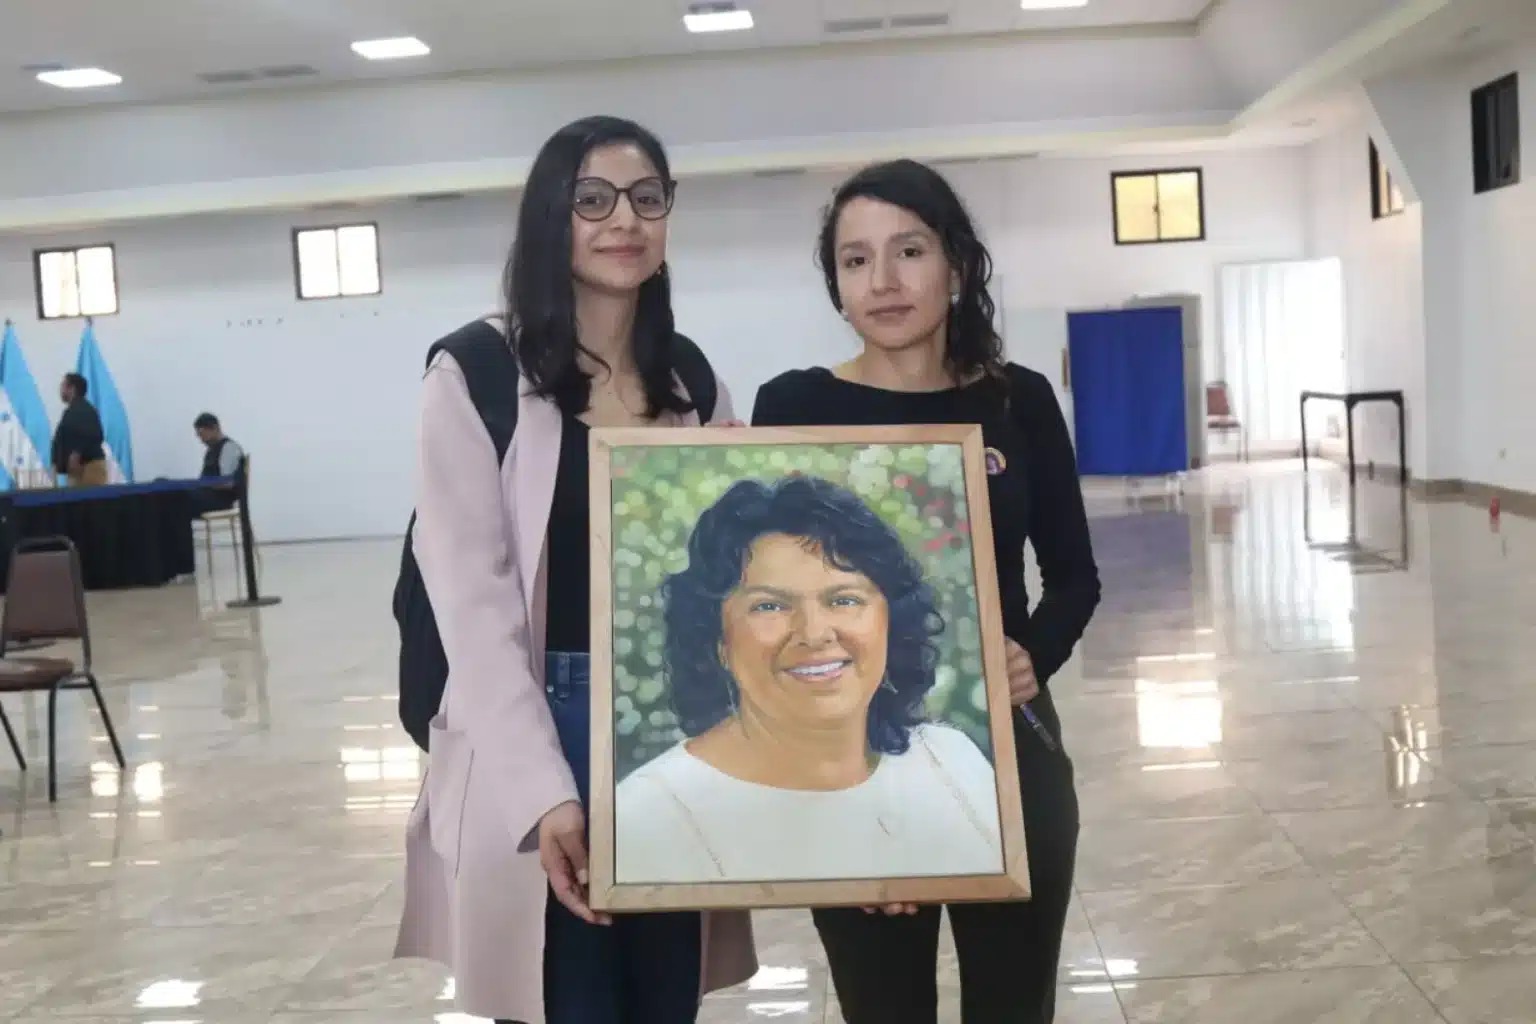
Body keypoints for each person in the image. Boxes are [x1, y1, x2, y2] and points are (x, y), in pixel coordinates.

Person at [392, 115, 756, 1024]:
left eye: (646, 198)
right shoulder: (475, 370)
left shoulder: (690, 380)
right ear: (549, 217)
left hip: (667, 731)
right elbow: (472, 610)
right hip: (534, 721)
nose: (622, 220)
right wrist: (546, 793)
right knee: (567, 996)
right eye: (591, 199)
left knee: (664, 992)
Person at [751, 159, 1101, 1024]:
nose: (885, 279)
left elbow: (1075, 578)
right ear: (835, 284)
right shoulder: (793, 406)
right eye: (856, 259)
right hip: (848, 758)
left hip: (1007, 753)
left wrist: (1032, 656)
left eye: (910, 250)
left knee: (1014, 1006)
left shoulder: (1018, 402)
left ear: (958, 266)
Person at [616, 474, 1003, 884]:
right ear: (717, 641)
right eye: (770, 606)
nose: (815, 633)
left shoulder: (950, 758)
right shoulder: (654, 812)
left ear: (892, 621)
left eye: (844, 600)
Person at [51, 372, 107, 486]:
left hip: (89, 467)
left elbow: (94, 434)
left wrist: (77, 451)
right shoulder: (70, 412)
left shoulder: (85, 410)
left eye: (63, 385)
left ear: (72, 388)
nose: (60, 389)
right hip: (75, 472)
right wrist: (56, 461)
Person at [190, 412, 243, 515]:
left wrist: (205, 484)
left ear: (214, 428)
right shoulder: (210, 451)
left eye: (202, 434)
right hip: (207, 496)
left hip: (220, 500)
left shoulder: (229, 448)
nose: (201, 439)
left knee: (177, 501)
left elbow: (227, 483)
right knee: (165, 492)